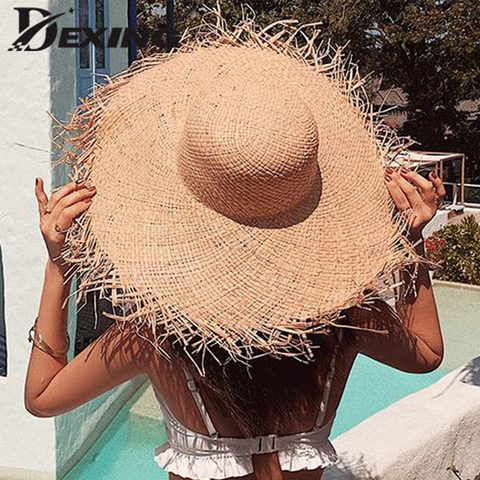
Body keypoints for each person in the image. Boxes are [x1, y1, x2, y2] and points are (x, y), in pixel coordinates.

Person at [25, 8, 446, 480]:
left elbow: (42, 397)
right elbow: (427, 354)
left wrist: (59, 265)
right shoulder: (345, 321)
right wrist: (409, 238)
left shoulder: (158, 340)